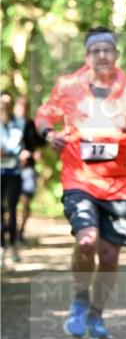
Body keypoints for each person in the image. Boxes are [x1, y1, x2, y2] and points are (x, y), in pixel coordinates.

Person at [35, 27, 126, 339]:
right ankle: (79, 298)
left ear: (116, 54)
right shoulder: (68, 86)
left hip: (117, 187)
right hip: (79, 179)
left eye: (108, 49)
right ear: (86, 55)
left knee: (109, 256)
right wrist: (50, 135)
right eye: (96, 50)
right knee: (87, 239)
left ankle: (97, 315)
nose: (102, 55)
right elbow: (43, 116)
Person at [15, 96, 47, 243]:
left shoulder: (31, 124)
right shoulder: (8, 123)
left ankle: (20, 232)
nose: (23, 110)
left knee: (26, 200)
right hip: (10, 169)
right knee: (9, 202)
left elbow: (41, 142)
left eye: (25, 107)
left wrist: (37, 152)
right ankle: (9, 229)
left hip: (28, 168)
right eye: (21, 107)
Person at [1, 91, 24, 263]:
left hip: (13, 171)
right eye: (2, 102)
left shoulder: (18, 123)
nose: (5, 105)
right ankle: (1, 246)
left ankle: (14, 247)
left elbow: (15, 146)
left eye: (8, 102)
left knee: (12, 208)